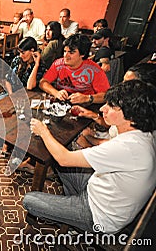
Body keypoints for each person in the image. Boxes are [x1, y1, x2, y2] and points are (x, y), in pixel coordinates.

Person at [25, 80, 156, 234]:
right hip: (100, 190)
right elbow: (105, 148)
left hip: (100, 216)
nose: (102, 109)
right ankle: (69, 207)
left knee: (29, 200)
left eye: (111, 107)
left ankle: (73, 217)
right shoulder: (143, 135)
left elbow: (64, 158)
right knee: (60, 157)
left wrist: (43, 131)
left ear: (132, 117)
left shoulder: (127, 148)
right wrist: (88, 137)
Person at [73, 63, 156, 148]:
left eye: (127, 84)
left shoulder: (141, 125)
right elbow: (113, 127)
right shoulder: (131, 106)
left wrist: (86, 142)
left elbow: (115, 149)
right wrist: (92, 115)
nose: (121, 86)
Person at [39, 34, 110, 105]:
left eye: (71, 52)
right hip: (62, 104)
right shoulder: (58, 64)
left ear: (83, 54)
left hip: (85, 107)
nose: (65, 56)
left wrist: (86, 98)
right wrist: (56, 93)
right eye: (64, 51)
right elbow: (43, 83)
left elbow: (106, 96)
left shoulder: (94, 70)